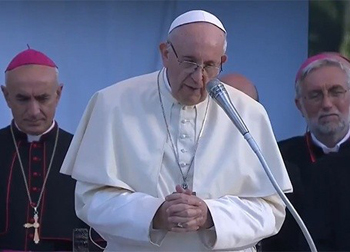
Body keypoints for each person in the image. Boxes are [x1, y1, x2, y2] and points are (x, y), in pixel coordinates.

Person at [61, 10, 292, 251]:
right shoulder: (113, 103)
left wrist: (211, 215)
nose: (198, 77)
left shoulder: (248, 114)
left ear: (222, 61)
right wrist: (154, 214)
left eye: (210, 65)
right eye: (190, 62)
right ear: (165, 53)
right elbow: (90, 199)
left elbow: (271, 209)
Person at [0, 48, 105, 250]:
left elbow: (97, 232)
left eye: (42, 98)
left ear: (58, 94)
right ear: (6, 96)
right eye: (22, 99)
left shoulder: (85, 152)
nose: (33, 111)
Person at [262, 52, 350, 251]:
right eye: (315, 95)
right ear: (299, 105)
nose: (327, 104)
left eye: (336, 92)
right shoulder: (278, 159)